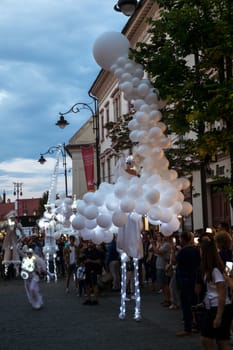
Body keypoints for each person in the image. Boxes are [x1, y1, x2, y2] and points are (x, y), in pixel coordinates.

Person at [199, 234, 232, 350]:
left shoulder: (215, 271)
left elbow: (222, 294)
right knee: (212, 340)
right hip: (213, 306)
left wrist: (218, 316)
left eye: (201, 251)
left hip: (219, 308)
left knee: (221, 341)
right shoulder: (209, 270)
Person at [175, 231, 201, 337]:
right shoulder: (196, 250)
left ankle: (188, 328)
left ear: (183, 240)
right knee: (195, 303)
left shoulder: (182, 252)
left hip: (185, 279)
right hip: (194, 279)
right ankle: (197, 325)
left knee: (186, 304)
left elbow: (175, 262)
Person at [82, 240, 102, 305]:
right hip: (87, 270)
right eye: (89, 242)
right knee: (87, 284)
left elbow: (99, 261)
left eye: (91, 242)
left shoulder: (97, 251)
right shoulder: (85, 251)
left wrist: (90, 261)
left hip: (94, 270)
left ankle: (96, 299)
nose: (90, 244)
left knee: (94, 284)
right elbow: (82, 259)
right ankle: (88, 299)